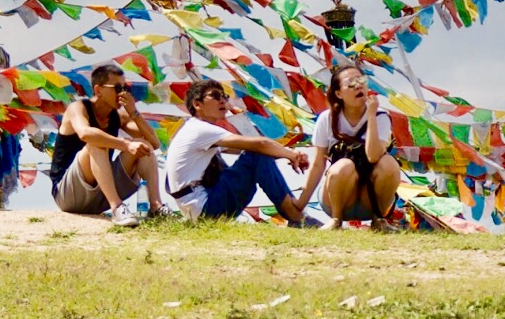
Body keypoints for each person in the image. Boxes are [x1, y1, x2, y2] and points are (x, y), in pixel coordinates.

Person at [164, 79, 313, 222]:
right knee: (257, 153)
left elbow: (255, 148)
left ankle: (294, 212)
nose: (222, 101)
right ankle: (295, 216)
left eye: (224, 96)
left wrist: (285, 154)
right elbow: (260, 145)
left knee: (258, 154)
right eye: (215, 96)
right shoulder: (200, 129)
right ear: (197, 104)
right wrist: (292, 155)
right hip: (207, 207)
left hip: (202, 208)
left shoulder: (196, 130)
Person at [52, 63, 163, 224]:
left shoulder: (119, 116)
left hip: (101, 193)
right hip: (68, 194)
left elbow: (154, 143)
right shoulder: (77, 108)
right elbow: (85, 133)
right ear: (98, 90)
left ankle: (156, 207)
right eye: (117, 88)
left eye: (125, 88)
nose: (122, 93)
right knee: (96, 143)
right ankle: (117, 207)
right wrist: (125, 145)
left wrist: (134, 112)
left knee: (142, 144)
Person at [300, 62, 401, 226]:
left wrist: (371, 116)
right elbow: (318, 163)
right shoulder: (327, 118)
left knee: (389, 163)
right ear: (339, 93)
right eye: (351, 83)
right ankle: (336, 220)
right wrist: (299, 205)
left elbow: (374, 156)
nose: (358, 86)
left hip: (369, 199)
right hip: (337, 198)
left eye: (361, 81)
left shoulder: (380, 116)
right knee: (344, 165)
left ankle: (379, 220)